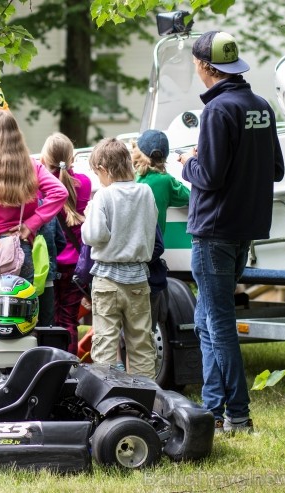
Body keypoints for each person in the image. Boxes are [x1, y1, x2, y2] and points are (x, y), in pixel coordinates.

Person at [177, 31, 284, 434]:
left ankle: (238, 415)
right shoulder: (261, 105)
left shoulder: (217, 112)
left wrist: (188, 161)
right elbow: (275, 170)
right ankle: (213, 409)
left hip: (214, 232)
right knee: (206, 322)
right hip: (245, 229)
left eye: (194, 63)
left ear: (206, 67)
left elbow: (209, 176)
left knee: (218, 324)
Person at [0, 110, 68, 302]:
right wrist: (31, 224)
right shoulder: (30, 165)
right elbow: (60, 192)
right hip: (20, 249)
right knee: (22, 314)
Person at [81, 138, 158, 378]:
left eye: (97, 174)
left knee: (105, 343)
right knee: (141, 344)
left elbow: (95, 236)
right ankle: (148, 401)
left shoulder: (103, 197)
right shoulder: (145, 192)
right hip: (137, 278)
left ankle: (108, 401)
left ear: (103, 170)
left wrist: (89, 214)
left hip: (107, 279)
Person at [40, 132, 92, 355]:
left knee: (47, 321)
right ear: (71, 158)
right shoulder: (86, 183)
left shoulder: (40, 186)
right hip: (76, 267)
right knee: (69, 320)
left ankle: (49, 367)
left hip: (48, 265)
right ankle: (70, 369)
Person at [132, 129, 190, 233]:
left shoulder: (128, 178)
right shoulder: (166, 180)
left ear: (136, 152)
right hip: (153, 245)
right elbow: (189, 197)